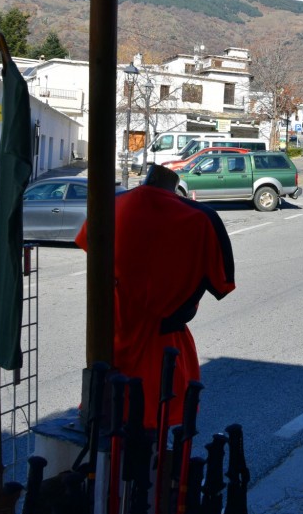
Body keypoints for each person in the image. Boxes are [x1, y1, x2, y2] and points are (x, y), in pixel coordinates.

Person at [75, 164, 235, 430]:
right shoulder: (203, 218)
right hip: (164, 353)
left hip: (112, 342)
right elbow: (222, 285)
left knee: (108, 430)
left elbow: (89, 246)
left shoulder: (110, 205)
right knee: (159, 436)